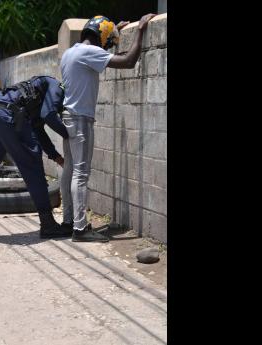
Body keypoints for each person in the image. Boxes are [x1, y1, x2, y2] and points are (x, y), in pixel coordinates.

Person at [60, 14, 157, 242]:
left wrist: (115, 33)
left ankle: (68, 221)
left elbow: (108, 56)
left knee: (70, 170)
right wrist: (141, 30)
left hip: (66, 116)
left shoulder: (70, 53)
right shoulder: (89, 52)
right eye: (107, 40)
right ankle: (80, 229)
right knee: (81, 173)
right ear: (100, 38)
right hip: (81, 119)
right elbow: (129, 61)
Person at [0, 75, 71, 241]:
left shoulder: (34, 91)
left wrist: (56, 157)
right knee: (33, 168)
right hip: (8, 115)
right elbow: (49, 115)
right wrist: (70, 136)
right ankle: (48, 225)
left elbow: (38, 130)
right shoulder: (56, 86)